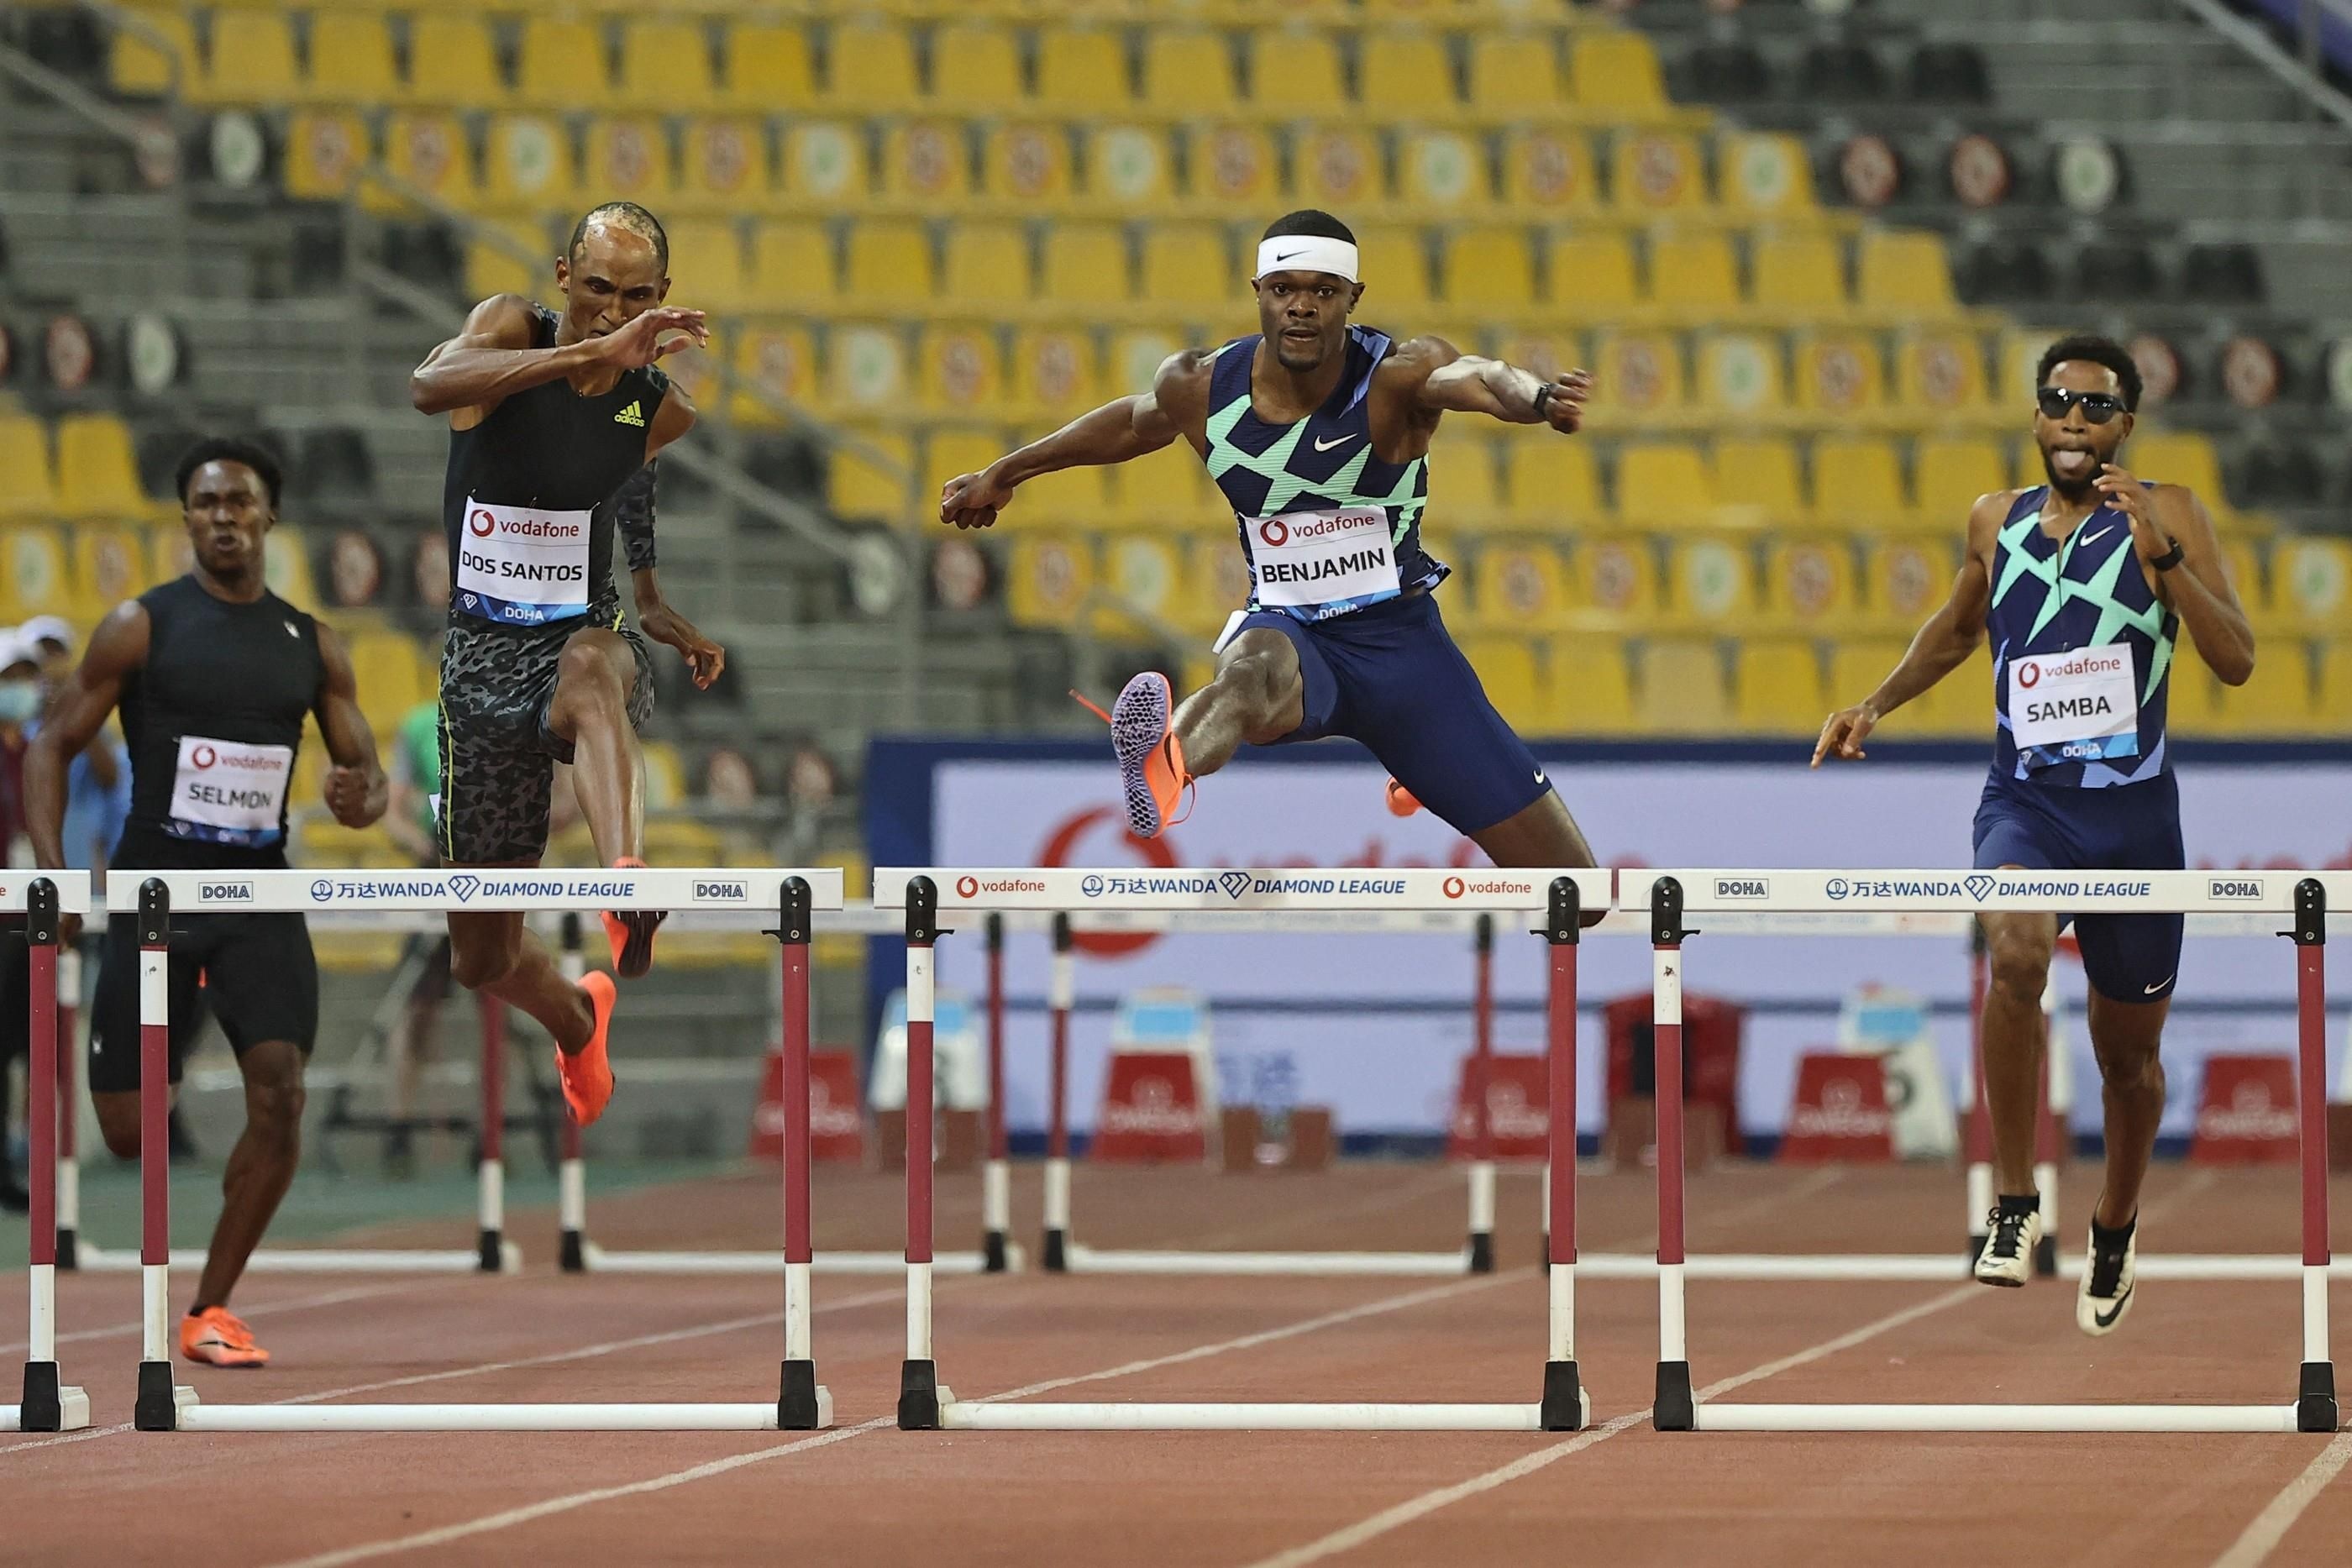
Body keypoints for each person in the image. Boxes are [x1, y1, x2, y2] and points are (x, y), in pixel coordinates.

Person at [940, 210, 1601, 877]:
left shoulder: (1397, 375)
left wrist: (1540, 397)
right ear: (1258, 292)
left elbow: (1483, 378)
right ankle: (1165, 763)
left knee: (1577, 887)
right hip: (1292, 631)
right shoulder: (1201, 386)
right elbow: (1132, 424)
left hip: (1404, 653)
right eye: (1284, 289)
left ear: (1353, 299)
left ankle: (1424, 768)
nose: (1302, 307)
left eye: (1322, 291)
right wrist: (1005, 472)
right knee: (1247, 675)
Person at [1814, 333, 2255, 1333]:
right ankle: (2012, 1200)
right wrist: (1873, 703)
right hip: (2027, 806)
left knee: (2127, 1062)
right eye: (2057, 401)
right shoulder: (1993, 521)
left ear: (2123, 427)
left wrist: (2166, 558)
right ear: (2034, 416)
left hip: (2135, 821)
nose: (2072, 419)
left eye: (2095, 407)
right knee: (2012, 951)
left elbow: (2235, 660)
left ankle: (2114, 1218)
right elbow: (1960, 631)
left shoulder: (2170, 509)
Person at [24, 437, 391, 1366]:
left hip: (258, 892)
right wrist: (55, 868)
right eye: (205, 502)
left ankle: (211, 1307)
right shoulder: (140, 627)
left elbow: (365, 777)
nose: (223, 515)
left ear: (269, 515)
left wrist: (364, 797)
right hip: (156, 895)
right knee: (125, 1127)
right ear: (186, 517)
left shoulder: (311, 644)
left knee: (281, 1093)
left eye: (240, 501)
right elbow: (47, 746)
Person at [407, 199, 725, 1128]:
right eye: (595, 289)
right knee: (480, 957)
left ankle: (626, 882)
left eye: (632, 296)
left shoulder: (656, 406)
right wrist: (584, 356)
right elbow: (430, 385)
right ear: (562, 278)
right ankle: (580, 1019)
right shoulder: (512, 329)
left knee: (594, 669)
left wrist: (652, 594)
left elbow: (630, 461)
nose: (610, 308)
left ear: (660, 297)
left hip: (578, 637)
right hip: (479, 658)